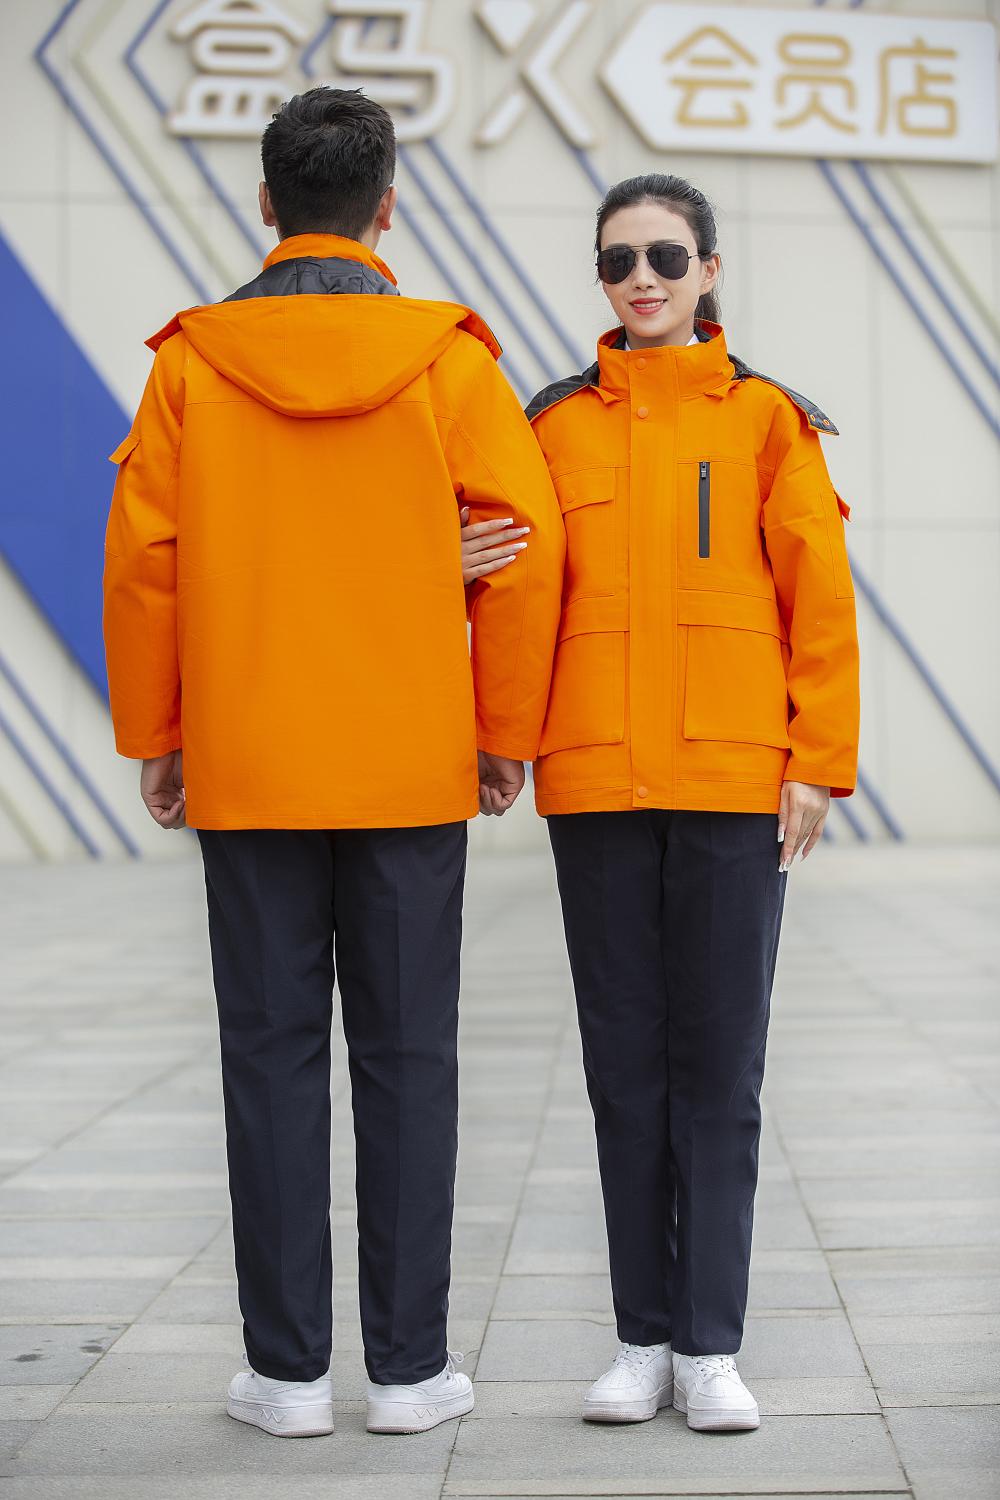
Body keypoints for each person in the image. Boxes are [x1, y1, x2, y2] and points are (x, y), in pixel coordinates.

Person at [102, 86, 564, 1440]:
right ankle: (410, 1374)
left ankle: (289, 1377)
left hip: (250, 762)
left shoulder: (191, 364)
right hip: (409, 766)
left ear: (266, 203)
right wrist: (501, 734)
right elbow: (524, 546)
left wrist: (162, 736)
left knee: (268, 1055)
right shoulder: (449, 361)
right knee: (410, 1057)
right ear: (387, 206)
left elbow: (145, 565)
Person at [471, 172, 859, 1433]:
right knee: (623, 1071)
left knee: (720, 1073)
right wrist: (501, 738)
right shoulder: (549, 425)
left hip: (733, 782)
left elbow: (818, 598)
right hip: (595, 780)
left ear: (708, 270)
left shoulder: (766, 421)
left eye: (664, 256)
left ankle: (710, 1348)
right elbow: (516, 591)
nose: (640, 278)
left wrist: (815, 761)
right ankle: (641, 1339)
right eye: (617, 260)